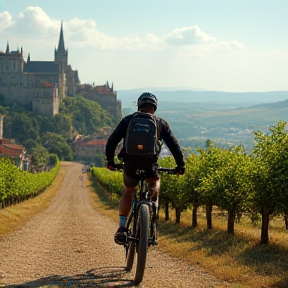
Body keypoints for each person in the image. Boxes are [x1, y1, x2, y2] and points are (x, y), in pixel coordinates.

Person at [105, 92, 185, 245]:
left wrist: (110, 161)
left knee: (129, 190)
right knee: (154, 181)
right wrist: (180, 165)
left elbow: (112, 141)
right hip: (150, 165)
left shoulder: (128, 120)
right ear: (154, 108)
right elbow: (174, 146)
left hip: (130, 164)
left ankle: (122, 228)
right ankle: (152, 204)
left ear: (139, 106)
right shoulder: (160, 123)